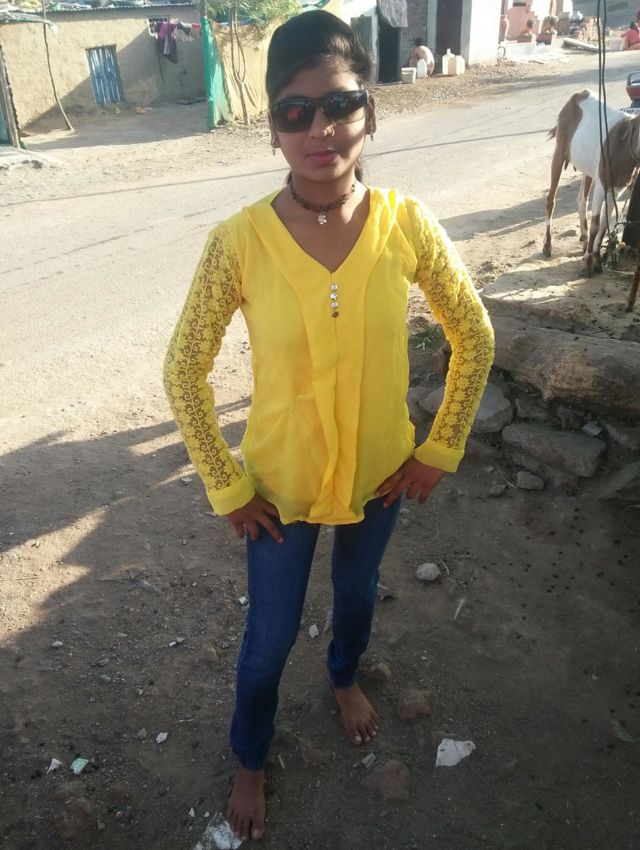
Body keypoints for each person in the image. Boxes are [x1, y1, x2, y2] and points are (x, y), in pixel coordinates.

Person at [164, 9, 494, 843]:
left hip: (381, 474)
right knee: (269, 638)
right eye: (295, 110)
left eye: (341, 104)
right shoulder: (238, 243)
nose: (321, 129)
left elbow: (474, 333)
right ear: (273, 128)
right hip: (278, 491)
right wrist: (227, 484)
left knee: (355, 595)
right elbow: (183, 370)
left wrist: (440, 447)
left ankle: (344, 678)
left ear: (370, 113)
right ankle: (250, 756)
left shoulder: (406, 225)